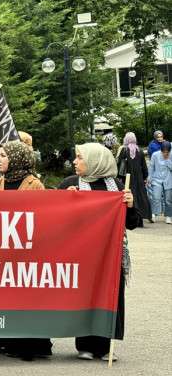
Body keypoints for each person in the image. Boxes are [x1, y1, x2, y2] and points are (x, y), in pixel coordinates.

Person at [58, 143, 139, 361]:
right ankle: (85, 344)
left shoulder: (117, 186)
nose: (75, 162)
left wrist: (129, 205)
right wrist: (65, 201)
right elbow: (56, 220)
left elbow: (132, 223)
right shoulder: (71, 184)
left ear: (96, 161)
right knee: (85, 296)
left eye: (79, 158)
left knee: (111, 297)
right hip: (83, 255)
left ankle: (105, 345)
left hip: (111, 256)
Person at [0, 141, 52, 361]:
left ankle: (27, 345)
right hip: (4, 250)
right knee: (5, 298)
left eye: (4, 155)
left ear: (16, 158)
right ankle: (4, 341)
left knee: (25, 300)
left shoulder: (35, 185)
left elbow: (43, 217)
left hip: (27, 251)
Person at [116, 132, 150, 224]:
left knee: (130, 196)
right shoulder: (140, 151)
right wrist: (145, 177)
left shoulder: (124, 150)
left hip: (127, 179)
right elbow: (144, 166)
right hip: (139, 178)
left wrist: (118, 177)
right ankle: (140, 219)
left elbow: (119, 165)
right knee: (140, 196)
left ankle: (132, 218)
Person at [148, 141, 172, 224]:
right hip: (156, 179)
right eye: (163, 151)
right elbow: (151, 167)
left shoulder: (171, 155)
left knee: (168, 199)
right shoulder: (155, 155)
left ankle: (168, 216)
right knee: (156, 197)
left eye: (167, 152)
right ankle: (154, 214)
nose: (165, 153)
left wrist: (168, 160)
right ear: (161, 150)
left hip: (168, 179)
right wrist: (149, 178)